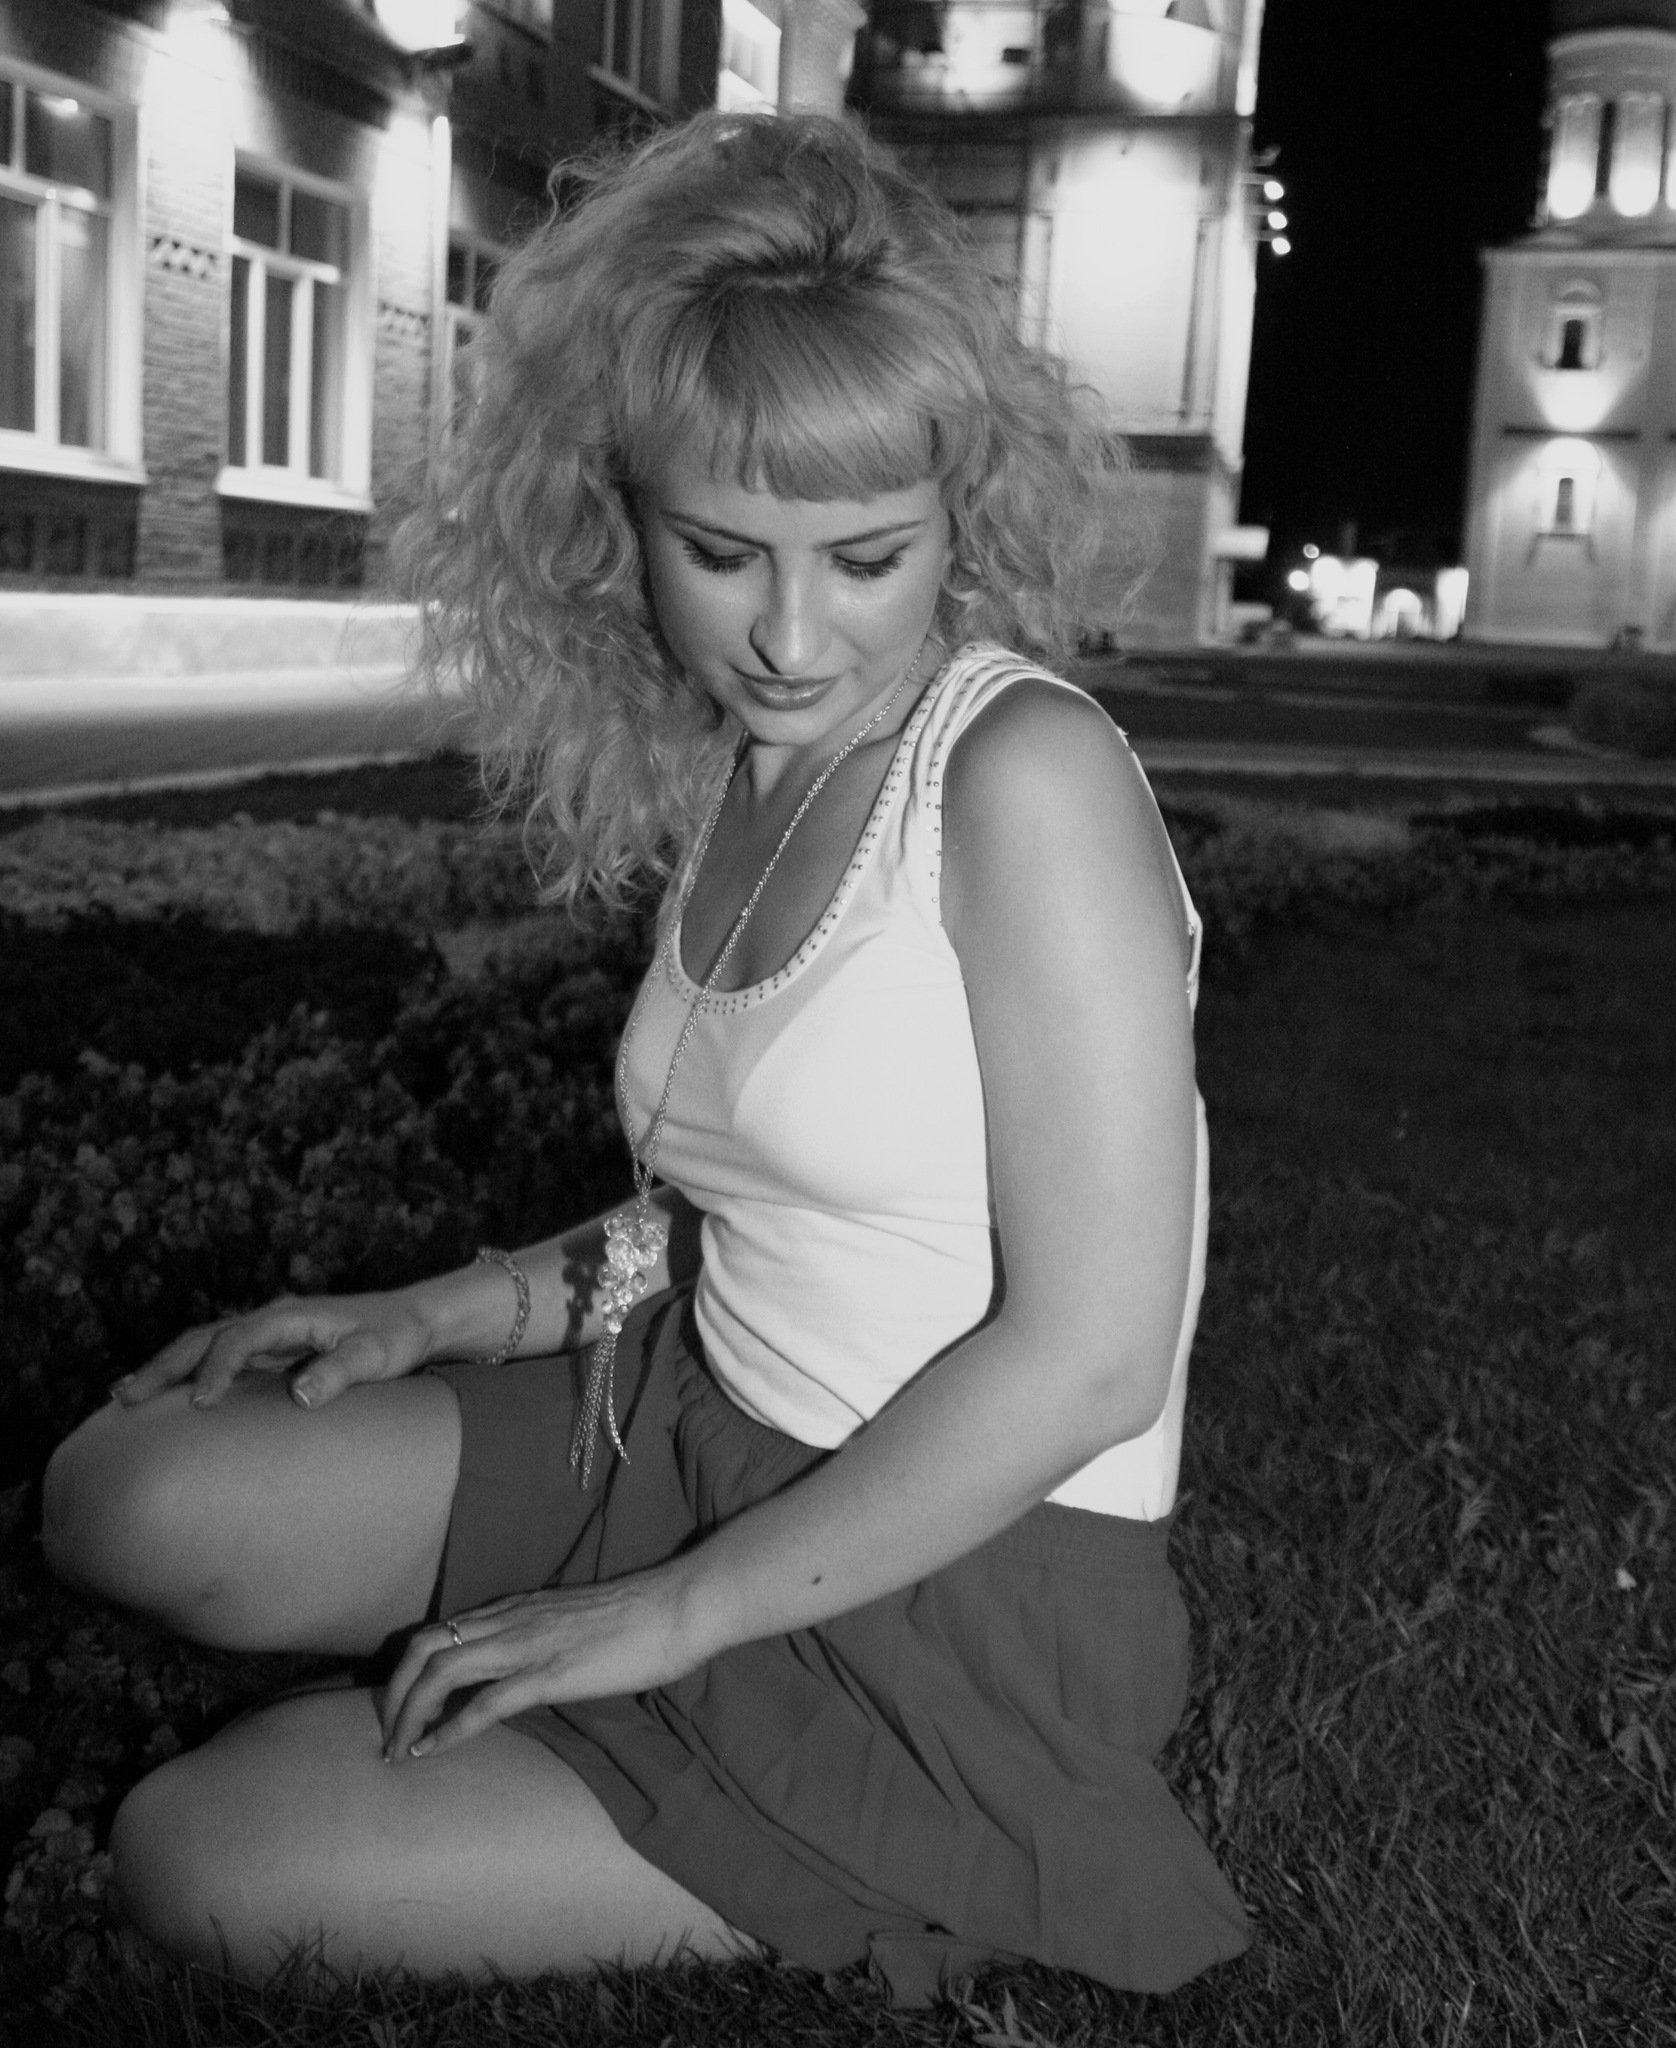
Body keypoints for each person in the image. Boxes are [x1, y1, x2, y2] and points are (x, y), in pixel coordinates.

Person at [41, 112, 1249, 2006]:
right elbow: (745, 1210)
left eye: (867, 556)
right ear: (618, 518)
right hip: (681, 1420)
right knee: (129, 1492)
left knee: (193, 1855)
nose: (790, 634)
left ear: (959, 516)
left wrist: (665, 1615)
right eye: (721, 552)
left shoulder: (1025, 777)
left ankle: (901, 1849)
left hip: (946, 1578)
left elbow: (1090, 1355)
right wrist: (440, 1311)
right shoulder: (754, 767)